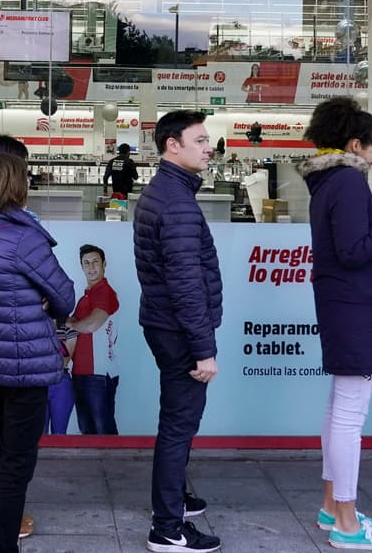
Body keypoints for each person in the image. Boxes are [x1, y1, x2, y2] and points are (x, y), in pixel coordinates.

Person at [299, 97, 372, 552]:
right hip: (355, 306)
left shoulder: (327, 180)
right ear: (353, 143)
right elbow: (354, 250)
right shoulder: (347, 181)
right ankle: (345, 520)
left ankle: (332, 505)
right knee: (349, 416)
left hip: (343, 304)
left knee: (338, 409)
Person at [0, 151, 76, 553]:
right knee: (14, 465)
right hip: (22, 366)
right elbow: (64, 295)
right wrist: (42, 301)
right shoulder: (25, 237)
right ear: (16, 187)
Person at [135, 109, 222, 553]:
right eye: (201, 140)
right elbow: (187, 284)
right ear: (173, 145)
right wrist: (204, 350)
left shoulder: (166, 193)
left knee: (177, 424)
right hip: (179, 330)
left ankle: (177, 502)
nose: (209, 147)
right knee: (178, 427)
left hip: (164, 323)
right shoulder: (177, 203)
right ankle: (167, 527)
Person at [68, 244, 122, 435]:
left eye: (95, 262)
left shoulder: (104, 291)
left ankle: (116, 465)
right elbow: (72, 323)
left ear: (104, 264)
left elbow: (92, 325)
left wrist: (70, 324)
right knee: (88, 433)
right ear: (82, 267)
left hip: (99, 375)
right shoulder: (85, 297)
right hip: (80, 374)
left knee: (104, 433)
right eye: (86, 263)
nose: (91, 267)